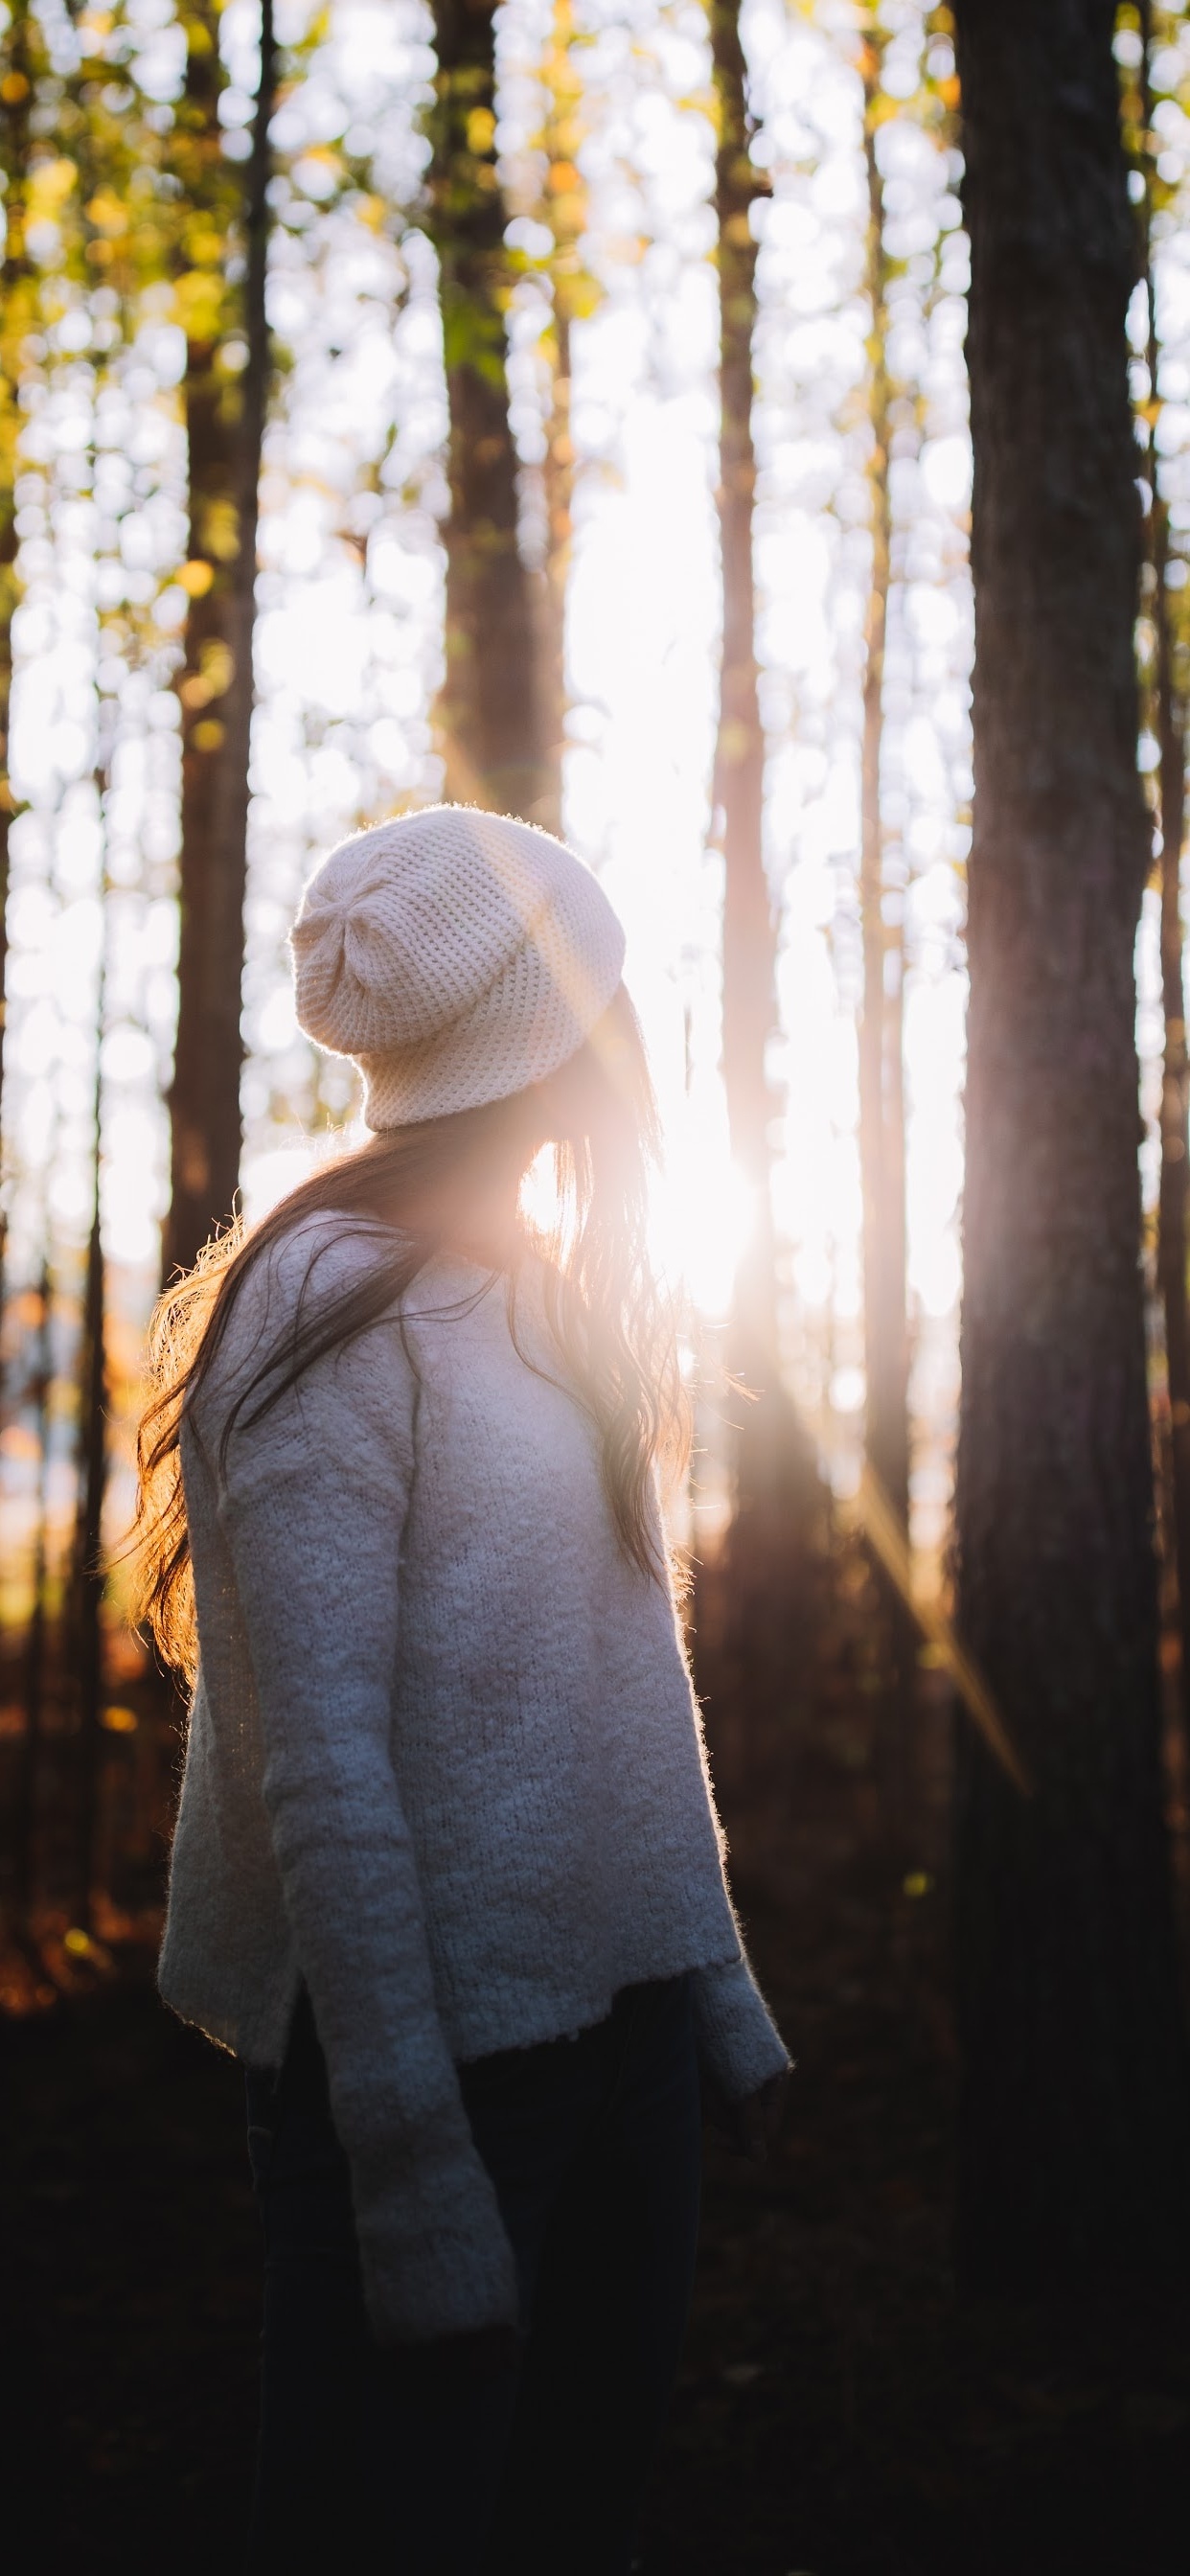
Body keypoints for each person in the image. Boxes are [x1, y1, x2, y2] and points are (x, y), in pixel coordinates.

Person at [128, 805, 790, 2574]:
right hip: (428, 2085)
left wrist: (708, 1989)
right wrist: (410, 2174)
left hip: (626, 2046)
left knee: (574, 2521)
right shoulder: (320, 1311)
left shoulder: (544, 1296)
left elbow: (625, 1684)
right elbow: (324, 1774)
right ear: (547, 1032)